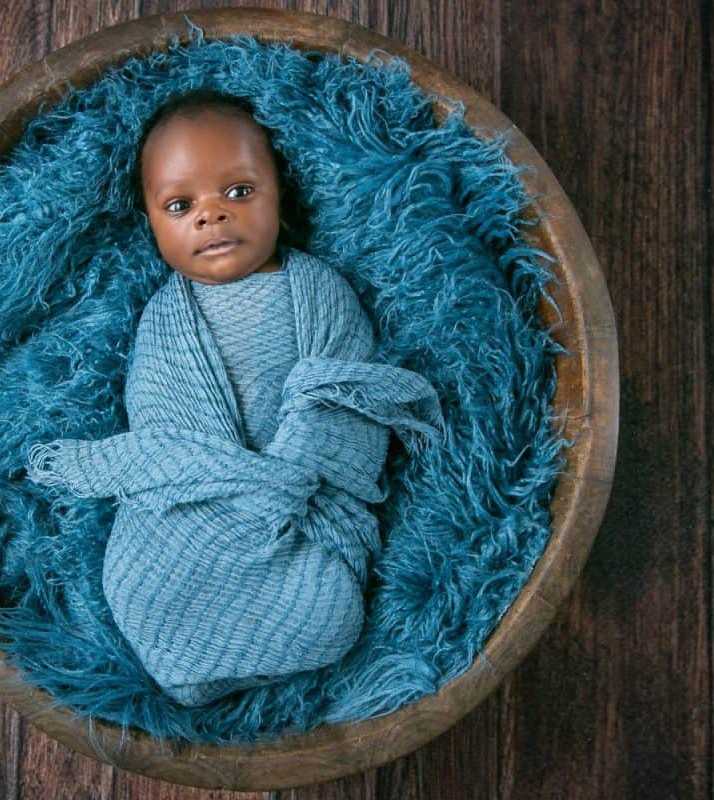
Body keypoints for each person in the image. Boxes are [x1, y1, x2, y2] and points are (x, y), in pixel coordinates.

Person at [28, 91, 439, 705]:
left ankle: (273, 645)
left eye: (239, 193)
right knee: (137, 581)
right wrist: (235, 485)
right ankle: (190, 666)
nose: (211, 216)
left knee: (328, 610)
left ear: (280, 195)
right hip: (195, 507)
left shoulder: (317, 290)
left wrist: (282, 484)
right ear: (151, 223)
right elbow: (162, 431)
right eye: (180, 204)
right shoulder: (165, 317)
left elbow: (349, 396)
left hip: (300, 503)